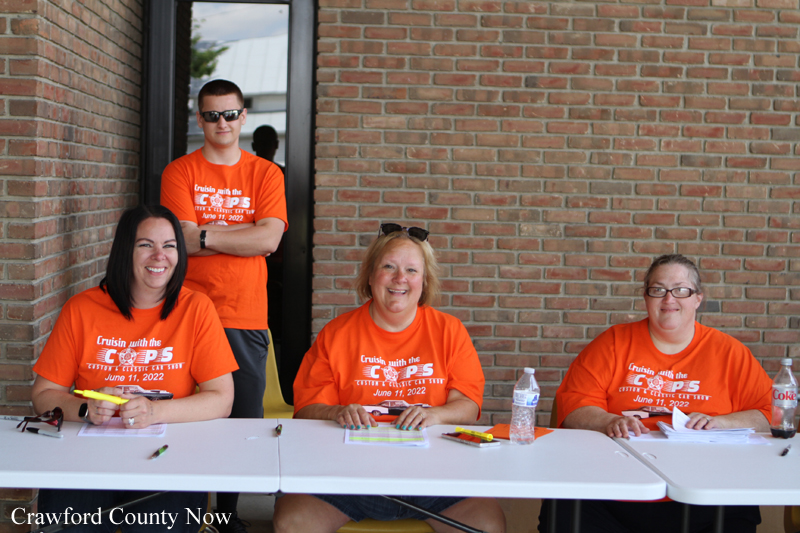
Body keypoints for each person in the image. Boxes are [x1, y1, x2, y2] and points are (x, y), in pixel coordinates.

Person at [272, 223, 506, 533]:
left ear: (424, 281)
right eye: (389, 267)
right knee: (291, 523)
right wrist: (337, 411)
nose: (400, 278)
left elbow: (468, 406)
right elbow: (306, 409)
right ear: (370, 276)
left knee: (489, 525)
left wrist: (435, 414)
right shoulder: (337, 334)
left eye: (411, 270)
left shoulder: (449, 331)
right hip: (347, 476)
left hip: (435, 477)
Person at [30, 205, 238, 532]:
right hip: (87, 458)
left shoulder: (196, 308)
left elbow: (222, 399)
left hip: (168, 456)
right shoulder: (81, 309)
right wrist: (84, 408)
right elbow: (43, 394)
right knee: (68, 526)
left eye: (169, 245)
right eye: (145, 245)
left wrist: (154, 412)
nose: (159, 256)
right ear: (125, 250)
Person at [542, 253, 772, 533]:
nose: (669, 299)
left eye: (681, 290)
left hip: (704, 490)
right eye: (658, 290)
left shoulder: (730, 353)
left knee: (738, 506)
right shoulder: (612, 343)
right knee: (564, 503)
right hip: (613, 486)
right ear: (646, 297)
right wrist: (608, 421)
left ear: (698, 298)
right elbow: (574, 406)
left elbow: (770, 414)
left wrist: (722, 422)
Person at [161, 79, 288, 532]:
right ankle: (187, 512)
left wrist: (207, 233)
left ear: (243, 117)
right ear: (200, 119)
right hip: (188, 312)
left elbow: (269, 239)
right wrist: (241, 233)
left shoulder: (265, 174)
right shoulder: (180, 172)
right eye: (212, 115)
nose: (222, 123)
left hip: (244, 312)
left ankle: (227, 515)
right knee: (187, 414)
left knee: (240, 422)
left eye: (230, 114)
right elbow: (179, 241)